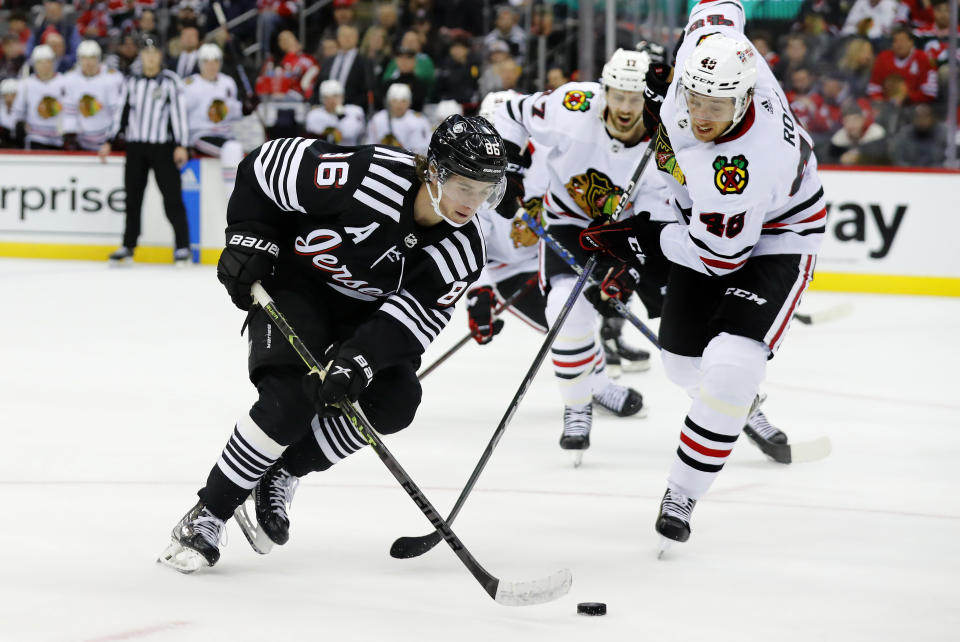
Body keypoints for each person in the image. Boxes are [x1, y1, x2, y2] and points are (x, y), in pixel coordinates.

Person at [157, 115, 507, 571]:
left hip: (364, 318)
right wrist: (251, 236)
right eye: (465, 187)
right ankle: (209, 513)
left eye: (485, 193)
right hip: (299, 286)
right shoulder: (367, 176)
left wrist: (359, 360)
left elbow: (415, 318)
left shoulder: (464, 249)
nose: (472, 204)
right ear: (434, 171)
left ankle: (283, 471)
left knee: (396, 401)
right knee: (288, 401)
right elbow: (263, 167)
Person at [579, 0, 826, 552]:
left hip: (772, 238)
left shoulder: (740, 167)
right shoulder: (705, 50)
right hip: (704, 223)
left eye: (717, 104)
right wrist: (671, 72)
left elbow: (718, 259)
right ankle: (736, 407)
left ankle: (682, 493)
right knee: (682, 364)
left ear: (744, 96)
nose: (701, 114)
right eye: (693, 97)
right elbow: (719, 7)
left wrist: (640, 241)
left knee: (733, 364)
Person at [493, 48, 674, 460]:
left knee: (667, 315)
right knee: (564, 310)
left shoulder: (665, 142)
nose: (626, 107)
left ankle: (719, 393)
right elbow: (511, 110)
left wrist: (629, 271)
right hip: (568, 224)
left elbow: (661, 215)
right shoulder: (572, 106)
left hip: (623, 232)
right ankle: (578, 407)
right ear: (604, 90)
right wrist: (512, 171)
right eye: (618, 95)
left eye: (636, 97)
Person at [99, 36, 191, 266]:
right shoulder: (132, 81)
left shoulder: (171, 82)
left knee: (172, 198)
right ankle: (128, 245)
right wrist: (110, 140)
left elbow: (179, 115)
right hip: (136, 147)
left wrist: (181, 144)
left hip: (163, 147)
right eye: (146, 53)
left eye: (154, 53)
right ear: (141, 57)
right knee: (132, 199)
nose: (150, 57)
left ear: (160, 56)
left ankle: (182, 247)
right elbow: (121, 112)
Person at [183, 43, 245, 201]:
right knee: (233, 149)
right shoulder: (189, 85)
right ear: (200, 63)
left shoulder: (228, 83)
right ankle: (234, 200)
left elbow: (234, 114)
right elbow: (180, 116)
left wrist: (242, 108)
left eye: (215, 61)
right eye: (207, 61)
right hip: (201, 134)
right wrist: (183, 143)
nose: (212, 65)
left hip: (226, 134)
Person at [62, 40, 125, 152]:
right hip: (81, 144)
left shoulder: (112, 79)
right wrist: (71, 137)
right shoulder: (70, 79)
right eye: (84, 58)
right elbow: (70, 113)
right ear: (79, 59)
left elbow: (116, 113)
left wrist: (111, 140)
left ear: (98, 58)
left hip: (107, 143)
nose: (88, 62)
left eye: (92, 57)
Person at [11, 45, 73, 150]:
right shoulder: (26, 84)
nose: (44, 65)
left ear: (53, 62)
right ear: (35, 64)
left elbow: (70, 109)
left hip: (59, 139)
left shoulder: (65, 82)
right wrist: (19, 126)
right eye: (40, 62)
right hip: (35, 138)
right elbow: (17, 112)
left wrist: (69, 130)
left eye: (47, 61)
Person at [365, 83, 430, 154]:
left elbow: (421, 149)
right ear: (389, 101)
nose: (399, 105)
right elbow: (369, 146)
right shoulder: (377, 120)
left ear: (409, 102)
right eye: (395, 101)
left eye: (403, 101)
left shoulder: (418, 120)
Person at [305, 78, 365, 146]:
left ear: (342, 96)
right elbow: (320, 136)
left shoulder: (355, 110)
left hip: (349, 151)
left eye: (336, 96)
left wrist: (340, 113)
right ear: (322, 99)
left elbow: (349, 133)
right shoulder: (314, 115)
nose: (332, 101)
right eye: (328, 97)